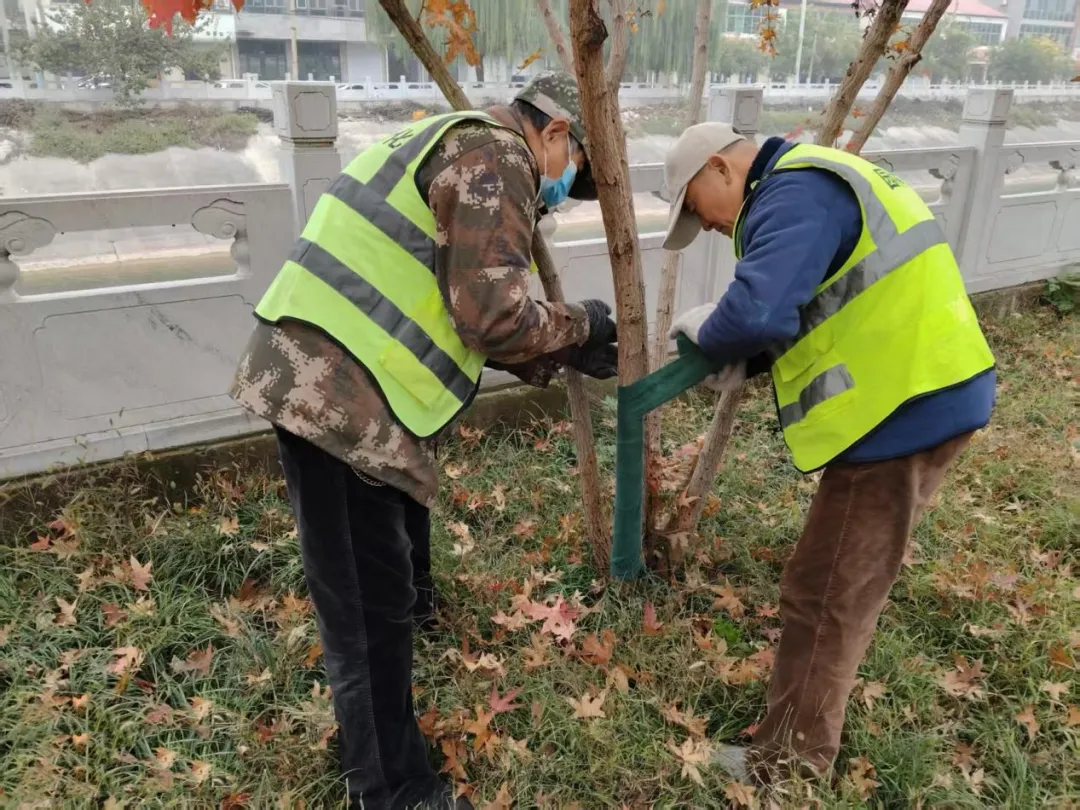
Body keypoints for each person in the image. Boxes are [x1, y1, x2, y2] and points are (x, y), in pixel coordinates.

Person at [229, 72, 617, 810]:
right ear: (557, 131)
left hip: (342, 377)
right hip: (336, 395)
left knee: (392, 566)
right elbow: (495, 319)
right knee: (366, 613)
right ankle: (393, 790)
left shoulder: (452, 138)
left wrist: (560, 348)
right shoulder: (496, 156)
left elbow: (456, 302)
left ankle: (411, 634)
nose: (564, 192)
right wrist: (583, 326)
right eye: (575, 172)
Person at [662, 124, 996, 782]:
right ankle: (802, 738)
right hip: (925, 392)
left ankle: (787, 766)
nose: (709, 228)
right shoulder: (823, 176)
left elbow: (756, 313)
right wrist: (754, 357)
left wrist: (711, 332)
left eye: (698, 209)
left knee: (826, 593)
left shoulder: (793, 193)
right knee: (843, 581)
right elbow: (827, 301)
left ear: (720, 168)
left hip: (899, 412)